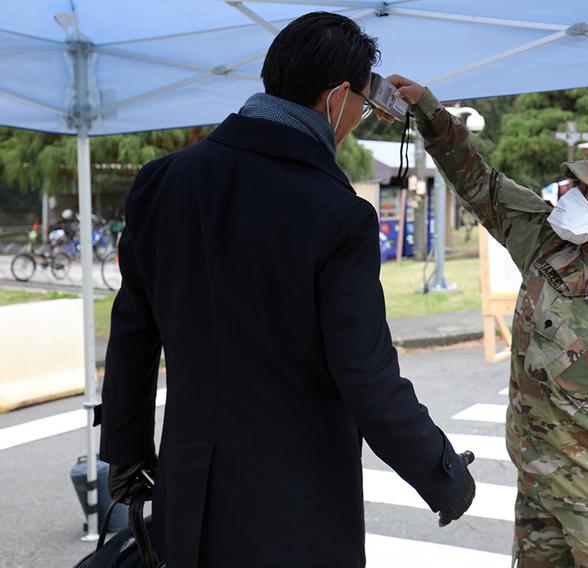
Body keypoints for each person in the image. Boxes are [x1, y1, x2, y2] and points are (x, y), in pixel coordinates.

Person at [99, 13, 475, 568]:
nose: (357, 120)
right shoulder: (337, 213)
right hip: (293, 509)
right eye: (362, 106)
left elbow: (132, 330)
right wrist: (444, 474)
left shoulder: (162, 181)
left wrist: (126, 453)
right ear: (337, 96)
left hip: (187, 494)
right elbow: (366, 374)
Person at [391, 77, 588, 568]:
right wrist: (430, 113)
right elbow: (479, 181)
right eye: (578, 182)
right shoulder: (545, 246)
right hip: (536, 495)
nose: (574, 193)